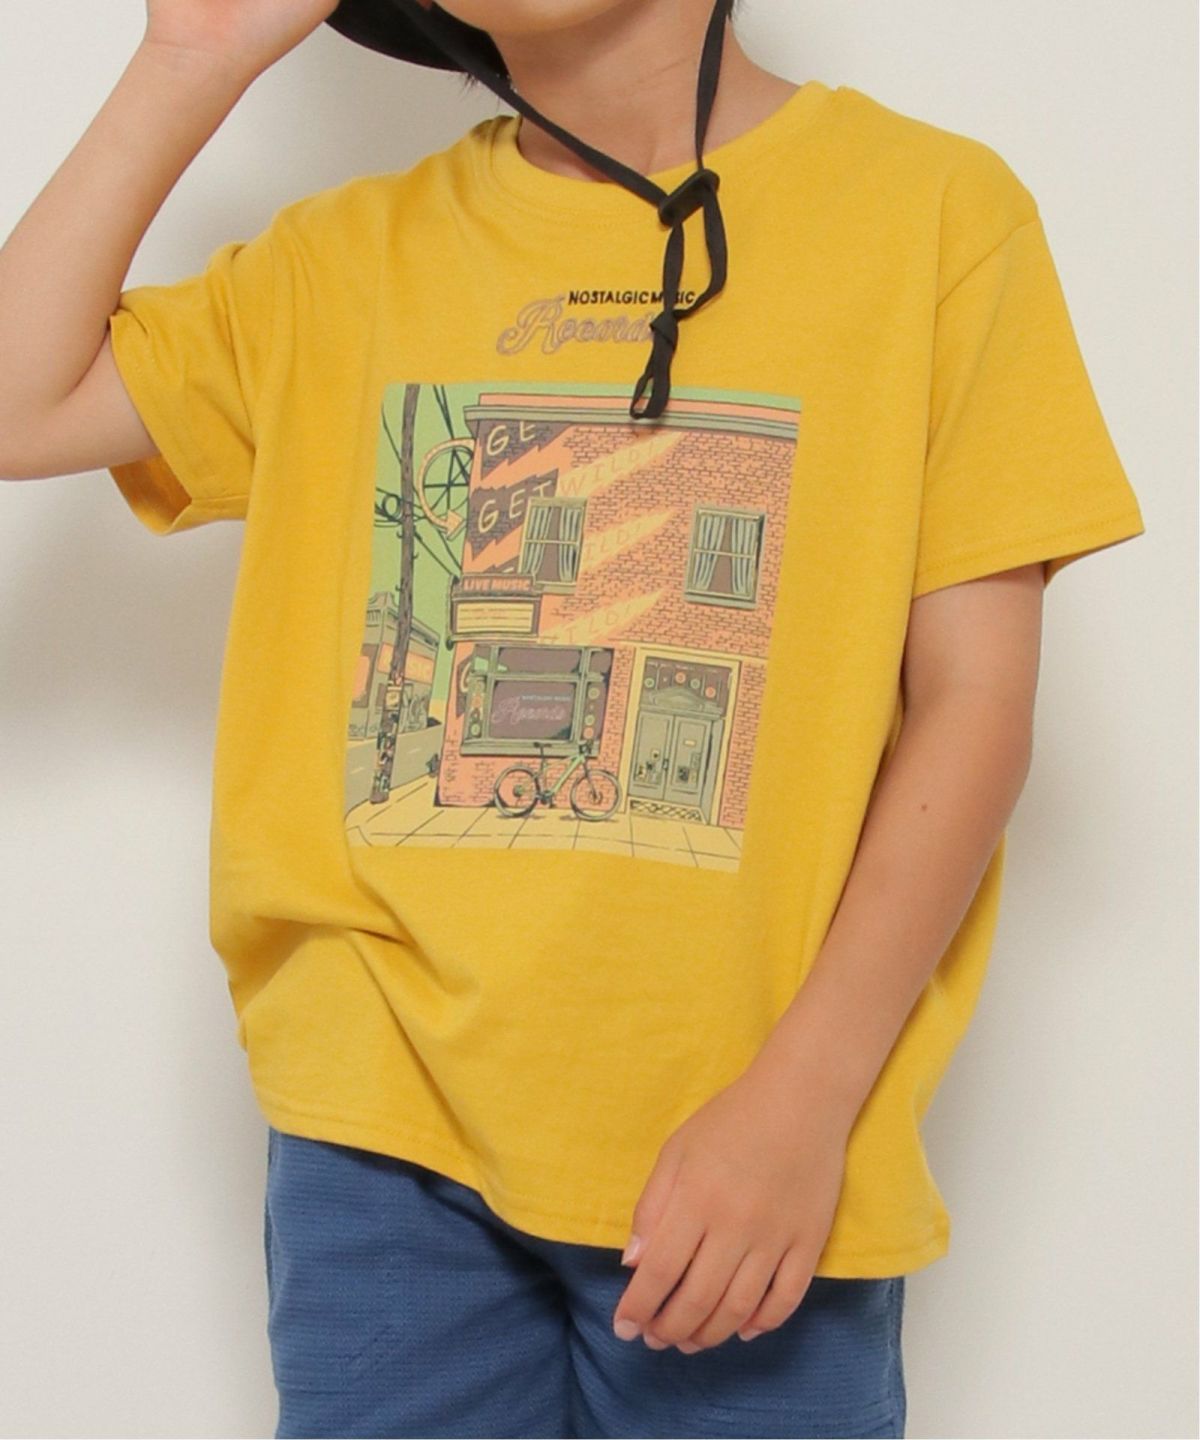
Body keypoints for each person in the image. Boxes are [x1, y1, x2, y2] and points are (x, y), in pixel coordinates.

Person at [0, 1, 1147, 1436]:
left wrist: (804, 1100)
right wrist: (189, 59)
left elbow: (975, 706)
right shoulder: (340, 260)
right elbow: (18, 404)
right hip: (385, 1125)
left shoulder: (932, 216)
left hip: (750, 1133)